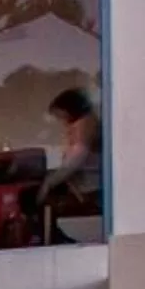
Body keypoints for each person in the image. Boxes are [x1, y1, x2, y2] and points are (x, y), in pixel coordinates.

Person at [39, 87, 102, 241]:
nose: (61, 120)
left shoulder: (85, 125)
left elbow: (76, 158)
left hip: (90, 191)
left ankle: (49, 239)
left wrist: (50, 182)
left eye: (60, 115)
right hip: (85, 188)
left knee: (38, 199)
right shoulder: (85, 124)